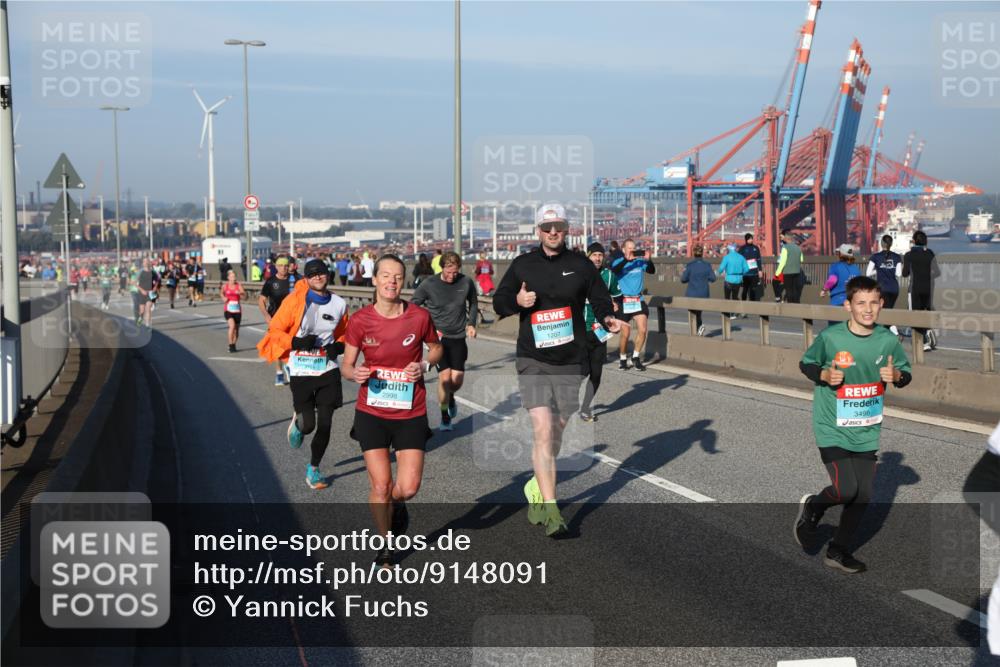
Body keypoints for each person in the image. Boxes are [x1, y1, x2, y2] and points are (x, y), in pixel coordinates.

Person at [493, 203, 621, 537]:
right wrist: (516, 304)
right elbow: (498, 302)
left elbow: (600, 297)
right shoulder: (523, 265)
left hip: (570, 359)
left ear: (567, 230)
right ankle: (552, 512)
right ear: (538, 230)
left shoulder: (580, 264)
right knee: (543, 428)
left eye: (559, 227)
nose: (553, 232)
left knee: (558, 430)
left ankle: (538, 482)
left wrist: (607, 316)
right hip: (533, 358)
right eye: (547, 227)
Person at [794, 275, 912, 574]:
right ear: (848, 305)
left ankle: (837, 551)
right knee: (846, 488)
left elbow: (904, 372)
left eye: (874, 302)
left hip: (867, 427)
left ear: (882, 304)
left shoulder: (887, 340)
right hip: (831, 424)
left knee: (864, 495)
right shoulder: (832, 338)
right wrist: (823, 376)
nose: (868, 309)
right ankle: (814, 508)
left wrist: (896, 377)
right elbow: (807, 363)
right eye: (861, 303)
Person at [341, 255, 442, 566]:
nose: (391, 282)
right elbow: (346, 364)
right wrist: (353, 372)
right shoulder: (359, 321)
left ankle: (395, 505)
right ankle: (386, 544)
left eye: (397, 277)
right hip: (372, 410)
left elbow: (437, 348)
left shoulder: (419, 317)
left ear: (403, 282)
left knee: (408, 487)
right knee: (381, 484)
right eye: (385, 276)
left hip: (410, 410)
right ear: (374, 280)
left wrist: (425, 364)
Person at [258, 259, 350, 491]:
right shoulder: (294, 301)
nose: (318, 277)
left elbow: (346, 335)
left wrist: (337, 347)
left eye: (321, 273)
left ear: (327, 275)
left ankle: (314, 469)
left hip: (327, 370)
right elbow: (275, 330)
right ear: (306, 278)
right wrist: (296, 341)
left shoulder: (339, 304)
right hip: (301, 370)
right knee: (309, 425)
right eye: (313, 274)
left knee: (326, 423)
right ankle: (298, 425)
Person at [411, 251, 478, 432]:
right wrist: (424, 327)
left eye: (455, 272)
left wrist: (471, 324)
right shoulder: (429, 284)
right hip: (437, 338)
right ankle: (445, 417)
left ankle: (451, 397)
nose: (451, 276)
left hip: (458, 337)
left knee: (456, 381)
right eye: (448, 272)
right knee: (445, 378)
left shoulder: (465, 282)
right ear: (442, 268)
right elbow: (414, 305)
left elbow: (473, 303)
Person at [580, 243, 621, 422]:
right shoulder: (578, 274)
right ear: (588, 256)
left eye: (600, 255)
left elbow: (618, 297)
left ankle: (585, 408)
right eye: (594, 255)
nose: (597, 258)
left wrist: (615, 307)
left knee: (596, 374)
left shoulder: (609, 276)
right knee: (581, 371)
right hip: (580, 330)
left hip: (600, 332)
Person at [610, 238, 656, 371]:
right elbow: (614, 270)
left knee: (642, 329)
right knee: (626, 333)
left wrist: (649, 260)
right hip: (624, 301)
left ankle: (635, 357)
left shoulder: (639, 262)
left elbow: (652, 271)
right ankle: (623, 357)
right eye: (629, 248)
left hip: (638, 299)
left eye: (633, 248)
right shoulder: (619, 262)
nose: (632, 250)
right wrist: (626, 260)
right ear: (623, 249)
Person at [259, 256, 297, 385]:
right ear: (276, 267)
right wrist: (266, 315)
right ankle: (279, 372)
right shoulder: (271, 282)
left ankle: (289, 365)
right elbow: (261, 300)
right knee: (278, 345)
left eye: (286, 266)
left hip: (292, 319)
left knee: (292, 344)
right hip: (276, 319)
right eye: (281, 266)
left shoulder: (294, 281)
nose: (284, 268)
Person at [902, 230, 941, 352]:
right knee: (926, 312)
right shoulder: (930, 253)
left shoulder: (909, 255)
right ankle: (928, 331)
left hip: (915, 289)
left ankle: (924, 342)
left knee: (914, 315)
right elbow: (937, 272)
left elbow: (905, 273)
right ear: (925, 242)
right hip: (928, 288)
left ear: (913, 241)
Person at [866, 234, 902, 336]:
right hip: (894, 289)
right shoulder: (897, 257)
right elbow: (898, 274)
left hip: (882, 288)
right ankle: (890, 333)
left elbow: (868, 273)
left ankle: (894, 332)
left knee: (883, 311)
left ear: (881, 244)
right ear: (891, 244)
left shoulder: (876, 257)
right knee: (888, 309)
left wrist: (878, 269)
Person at [680, 244, 716, 336]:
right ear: (702, 253)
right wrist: (704, 278)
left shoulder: (690, 265)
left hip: (692, 293)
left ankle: (696, 331)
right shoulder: (707, 265)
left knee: (692, 313)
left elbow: (683, 279)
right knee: (699, 313)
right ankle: (699, 328)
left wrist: (690, 277)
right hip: (703, 293)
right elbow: (713, 278)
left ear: (693, 253)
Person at [820, 244, 861, 308]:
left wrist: (824, 289)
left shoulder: (836, 266)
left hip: (838, 301)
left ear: (840, 254)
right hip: (853, 302)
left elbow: (832, 280)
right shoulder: (856, 268)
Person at [717, 244, 749, 320]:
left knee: (727, 297)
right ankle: (734, 313)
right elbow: (747, 269)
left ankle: (727, 313)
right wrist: (741, 274)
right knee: (735, 296)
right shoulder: (741, 257)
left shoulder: (727, 257)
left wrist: (717, 273)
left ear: (729, 250)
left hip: (729, 279)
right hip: (738, 279)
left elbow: (721, 268)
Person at [221, 270, 247, 353]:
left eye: (234, 277)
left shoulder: (239, 286)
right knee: (231, 326)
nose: (233, 278)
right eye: (232, 277)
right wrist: (223, 298)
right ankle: (230, 345)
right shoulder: (225, 286)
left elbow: (245, 297)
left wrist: (242, 294)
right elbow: (221, 293)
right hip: (228, 309)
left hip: (237, 310)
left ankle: (233, 344)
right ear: (228, 277)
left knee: (237, 330)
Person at [775, 230, 804, 304]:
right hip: (797, 272)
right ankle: (796, 305)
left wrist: (777, 272)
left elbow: (782, 262)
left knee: (789, 290)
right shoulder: (798, 248)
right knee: (795, 290)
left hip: (788, 272)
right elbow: (801, 259)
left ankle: (791, 307)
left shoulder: (785, 248)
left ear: (787, 239)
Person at [738, 232, 762, 307]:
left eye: (751, 238)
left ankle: (752, 305)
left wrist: (760, 270)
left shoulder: (756, 248)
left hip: (754, 273)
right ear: (746, 240)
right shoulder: (742, 248)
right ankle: (743, 305)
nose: (751, 240)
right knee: (745, 289)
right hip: (745, 274)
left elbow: (758, 259)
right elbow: (739, 260)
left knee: (753, 289)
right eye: (749, 239)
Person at [136, 259, 155, 327]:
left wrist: (154, 289)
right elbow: (134, 282)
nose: (146, 263)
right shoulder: (140, 272)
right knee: (142, 310)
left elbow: (157, 281)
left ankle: (147, 324)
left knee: (148, 308)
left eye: (147, 262)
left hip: (150, 292)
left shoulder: (153, 272)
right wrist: (141, 290)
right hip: (142, 293)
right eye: (144, 262)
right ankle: (140, 318)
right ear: (143, 263)